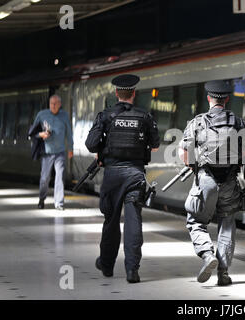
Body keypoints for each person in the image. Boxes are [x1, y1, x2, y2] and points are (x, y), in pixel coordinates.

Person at [85, 74, 160, 283]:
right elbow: (155, 144)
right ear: (133, 94)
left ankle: (107, 266)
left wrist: (103, 149)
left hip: (113, 175)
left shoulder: (106, 116)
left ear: (116, 93)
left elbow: (91, 144)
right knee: (134, 221)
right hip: (135, 175)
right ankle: (132, 270)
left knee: (111, 221)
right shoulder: (145, 116)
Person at [179, 80, 245, 286]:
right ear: (227, 99)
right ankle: (224, 273)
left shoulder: (197, 122)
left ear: (209, 98)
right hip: (230, 181)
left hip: (206, 181)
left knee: (195, 220)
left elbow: (184, 154)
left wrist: (194, 165)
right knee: (227, 225)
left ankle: (206, 253)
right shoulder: (239, 123)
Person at [30, 95, 73, 210]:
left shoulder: (64, 115)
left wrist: (70, 148)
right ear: (49, 104)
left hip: (60, 152)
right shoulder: (42, 114)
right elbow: (32, 132)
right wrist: (41, 134)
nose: (53, 106)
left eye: (55, 104)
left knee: (60, 176)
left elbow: (69, 133)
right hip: (46, 152)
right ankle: (41, 198)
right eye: (51, 104)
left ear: (60, 104)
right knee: (45, 178)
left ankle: (59, 203)